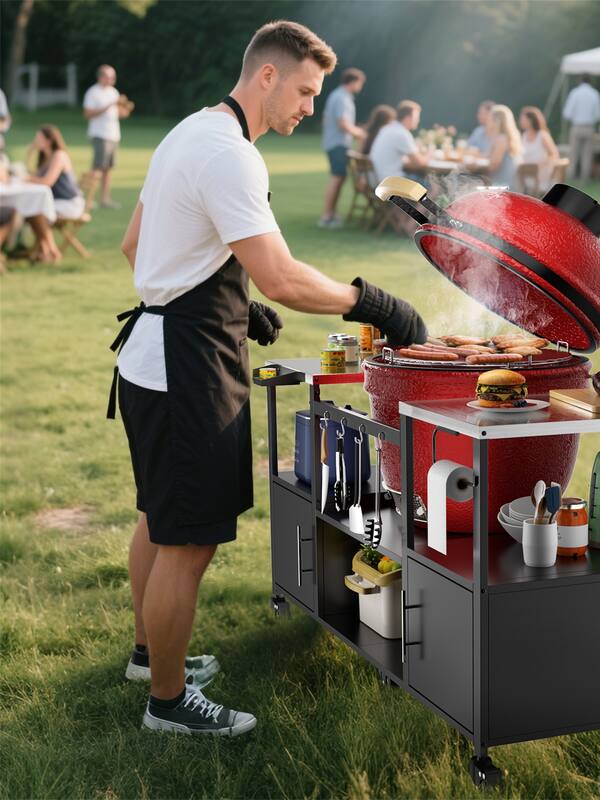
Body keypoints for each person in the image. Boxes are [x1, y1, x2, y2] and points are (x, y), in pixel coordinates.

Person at [110, 19, 426, 738]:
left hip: (153, 355)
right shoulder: (231, 155)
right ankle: (167, 705)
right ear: (267, 76)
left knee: (160, 520)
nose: (310, 109)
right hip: (188, 370)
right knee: (188, 542)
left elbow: (139, 248)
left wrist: (231, 300)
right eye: (306, 92)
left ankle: (147, 656)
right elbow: (283, 276)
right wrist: (373, 303)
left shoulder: (187, 132)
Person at [319, 67, 366, 228]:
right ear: (353, 82)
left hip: (335, 142)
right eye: (360, 83)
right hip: (337, 143)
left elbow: (326, 119)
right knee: (337, 178)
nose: (361, 87)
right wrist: (361, 133)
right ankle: (326, 216)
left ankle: (331, 213)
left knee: (340, 178)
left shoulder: (339, 95)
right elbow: (343, 124)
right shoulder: (342, 98)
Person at [83, 65, 132, 210]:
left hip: (113, 135)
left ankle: (105, 199)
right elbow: (87, 114)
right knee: (97, 168)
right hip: (100, 134)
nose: (112, 80)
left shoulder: (114, 92)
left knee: (108, 169)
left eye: (113, 77)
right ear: (101, 77)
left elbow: (118, 114)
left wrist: (126, 110)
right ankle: (88, 199)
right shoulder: (93, 92)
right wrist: (109, 105)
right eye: (110, 77)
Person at [25, 125, 86, 221]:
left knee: (30, 210)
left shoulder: (59, 155)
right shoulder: (45, 158)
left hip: (68, 203)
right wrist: (29, 153)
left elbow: (47, 182)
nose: (35, 141)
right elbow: (35, 177)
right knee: (26, 207)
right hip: (56, 202)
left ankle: (45, 236)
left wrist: (26, 179)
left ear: (48, 141)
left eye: (38, 138)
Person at [369, 100, 428, 185]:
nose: (418, 121)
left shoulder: (387, 128)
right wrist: (429, 155)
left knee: (419, 180)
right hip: (388, 183)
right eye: (416, 118)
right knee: (434, 187)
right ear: (408, 118)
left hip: (375, 180)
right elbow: (419, 163)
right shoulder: (402, 133)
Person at [562, 74, 600, 182]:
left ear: (580, 81)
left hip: (577, 126)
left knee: (573, 153)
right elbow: (598, 115)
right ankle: (584, 178)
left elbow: (567, 113)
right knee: (587, 154)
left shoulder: (575, 93)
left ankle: (571, 176)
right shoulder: (595, 94)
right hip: (589, 127)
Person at [519, 106, 560, 192]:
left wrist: (540, 164)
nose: (521, 121)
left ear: (530, 120)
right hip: (527, 173)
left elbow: (554, 154)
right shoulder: (524, 136)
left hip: (542, 174)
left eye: (523, 119)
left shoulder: (542, 135)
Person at [480, 104, 521, 187]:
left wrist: (477, 172)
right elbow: (491, 157)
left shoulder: (501, 139)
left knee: (467, 184)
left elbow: (494, 165)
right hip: (506, 183)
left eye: (490, 118)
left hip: (501, 186)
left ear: (496, 121)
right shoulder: (504, 137)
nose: (488, 120)